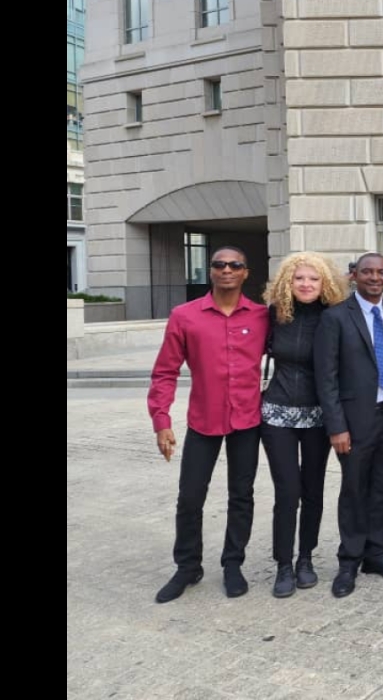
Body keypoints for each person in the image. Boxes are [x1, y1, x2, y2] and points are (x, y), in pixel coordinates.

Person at [149, 246, 269, 603]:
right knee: (189, 497)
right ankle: (188, 567)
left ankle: (233, 564)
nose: (226, 270)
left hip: (247, 420)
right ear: (210, 271)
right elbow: (165, 372)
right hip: (203, 421)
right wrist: (161, 420)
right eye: (219, 265)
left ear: (246, 272)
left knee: (241, 496)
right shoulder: (185, 316)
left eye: (235, 265)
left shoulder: (263, 317)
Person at [313, 252, 383, 599]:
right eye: (367, 272)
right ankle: (349, 560)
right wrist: (336, 427)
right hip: (354, 422)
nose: (374, 278)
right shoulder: (336, 317)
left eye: (381, 272)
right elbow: (326, 378)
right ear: (353, 275)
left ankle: (376, 554)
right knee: (355, 489)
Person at [259, 252, 348, 598]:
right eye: (299, 279)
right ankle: (283, 563)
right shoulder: (274, 316)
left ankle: (305, 559)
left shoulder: (333, 317)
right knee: (287, 491)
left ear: (324, 282)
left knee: (312, 490)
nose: (306, 284)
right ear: (287, 282)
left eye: (313, 279)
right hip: (278, 413)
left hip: (318, 416)